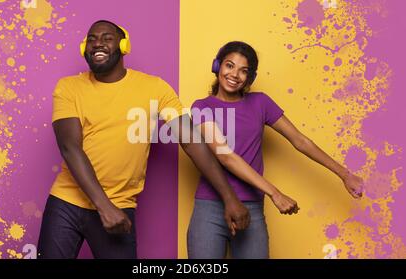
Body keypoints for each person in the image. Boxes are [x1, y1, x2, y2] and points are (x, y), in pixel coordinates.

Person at [37, 20, 251, 259]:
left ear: (124, 45)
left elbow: (192, 142)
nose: (98, 44)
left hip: (119, 204)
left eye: (107, 38)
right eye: (92, 39)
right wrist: (104, 207)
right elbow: (70, 147)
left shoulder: (154, 88)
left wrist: (230, 198)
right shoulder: (68, 87)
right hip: (66, 203)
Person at [187, 41, 363, 259]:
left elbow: (300, 140)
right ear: (217, 66)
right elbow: (226, 156)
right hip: (210, 208)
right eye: (229, 66)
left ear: (250, 77)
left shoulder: (261, 103)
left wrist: (345, 174)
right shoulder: (202, 107)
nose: (235, 75)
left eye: (244, 71)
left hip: (251, 206)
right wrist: (275, 193)